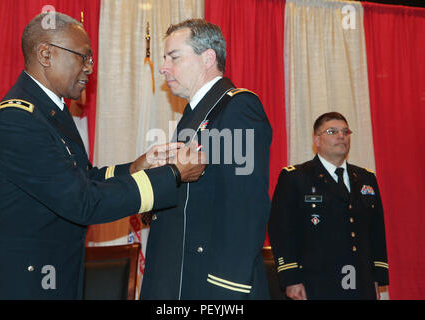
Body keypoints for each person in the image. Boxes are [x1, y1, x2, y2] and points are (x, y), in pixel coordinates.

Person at [0, 12, 205, 299]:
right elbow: (82, 202)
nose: (89, 69)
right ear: (46, 54)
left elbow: (81, 178)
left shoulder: (51, 111)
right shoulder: (18, 119)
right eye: (83, 57)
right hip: (20, 285)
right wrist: (172, 175)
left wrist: (137, 166)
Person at [140, 19, 272, 299]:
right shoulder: (197, 113)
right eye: (164, 59)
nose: (164, 67)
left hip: (212, 284)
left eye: (173, 57)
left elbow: (245, 205)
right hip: (179, 274)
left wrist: (228, 287)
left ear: (208, 58)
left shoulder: (236, 107)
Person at [268, 112, 389, 300]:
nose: (341, 136)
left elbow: (376, 231)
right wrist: (291, 279)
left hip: (361, 280)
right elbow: (281, 231)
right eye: (332, 131)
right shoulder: (295, 177)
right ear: (317, 139)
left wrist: (377, 277)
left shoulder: (366, 178)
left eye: (345, 131)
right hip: (316, 281)